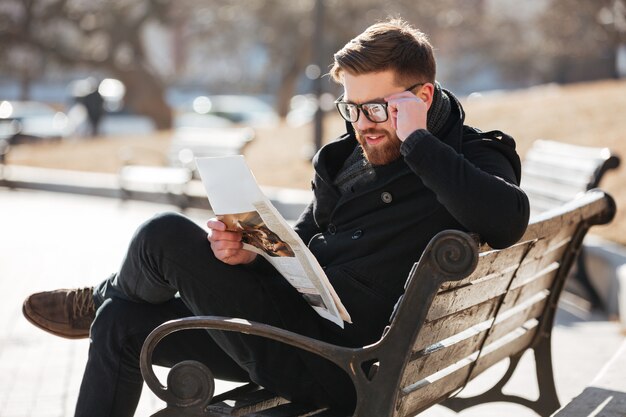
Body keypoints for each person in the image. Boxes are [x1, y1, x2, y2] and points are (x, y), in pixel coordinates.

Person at [22, 18, 530, 417]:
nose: (362, 126)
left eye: (378, 110)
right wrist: (248, 255)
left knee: (163, 235)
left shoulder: (474, 156)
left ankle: (98, 297)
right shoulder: (346, 161)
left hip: (343, 364)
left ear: (420, 99)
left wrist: (417, 141)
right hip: (297, 331)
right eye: (351, 109)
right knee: (121, 322)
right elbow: (305, 241)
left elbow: (506, 221)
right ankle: (105, 303)